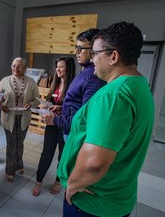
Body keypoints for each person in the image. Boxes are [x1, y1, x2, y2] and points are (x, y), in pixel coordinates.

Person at [57, 21, 155, 217]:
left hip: (93, 202)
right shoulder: (139, 85)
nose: (92, 60)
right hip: (118, 196)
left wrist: (72, 185)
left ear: (113, 56)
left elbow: (95, 163)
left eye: (95, 54)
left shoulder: (112, 96)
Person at [42, 28, 106, 139]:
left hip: (75, 134)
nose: (76, 52)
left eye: (80, 48)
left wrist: (55, 120)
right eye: (76, 48)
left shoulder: (93, 77)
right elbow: (79, 105)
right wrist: (64, 109)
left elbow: (84, 119)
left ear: (94, 50)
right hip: (69, 128)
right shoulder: (86, 72)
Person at [32, 57, 76, 197]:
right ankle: (39, 181)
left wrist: (61, 108)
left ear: (68, 69)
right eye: (57, 66)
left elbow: (74, 109)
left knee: (63, 155)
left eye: (61, 67)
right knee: (46, 153)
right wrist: (46, 106)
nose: (58, 69)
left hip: (65, 126)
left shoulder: (74, 86)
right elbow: (52, 101)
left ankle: (58, 181)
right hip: (52, 125)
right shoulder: (55, 84)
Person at [0, 57, 40, 182]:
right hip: (8, 118)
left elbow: (37, 99)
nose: (16, 68)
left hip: (23, 118)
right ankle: (10, 170)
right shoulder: (4, 81)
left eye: (20, 66)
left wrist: (31, 104)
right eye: (14, 65)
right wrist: (1, 106)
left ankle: (19, 164)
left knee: (19, 143)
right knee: (11, 144)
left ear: (25, 68)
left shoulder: (31, 82)